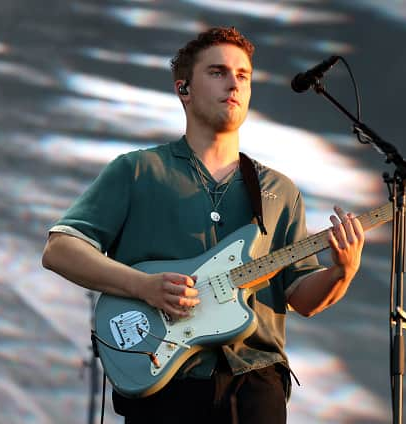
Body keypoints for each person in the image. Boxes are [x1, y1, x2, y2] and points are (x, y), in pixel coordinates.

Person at [42, 26, 364, 424]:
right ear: (184, 89)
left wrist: (342, 272)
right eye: (217, 72)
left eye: (243, 75)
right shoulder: (139, 170)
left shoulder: (279, 190)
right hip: (163, 381)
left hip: (254, 384)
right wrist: (143, 286)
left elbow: (302, 298)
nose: (233, 83)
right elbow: (60, 249)